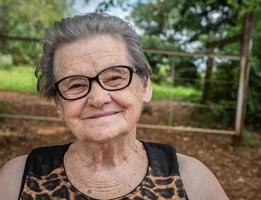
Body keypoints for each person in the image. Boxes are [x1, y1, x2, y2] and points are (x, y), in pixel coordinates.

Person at [0, 13, 229, 200]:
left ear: (146, 86)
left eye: (114, 78)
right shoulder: (16, 180)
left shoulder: (192, 181)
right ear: (59, 104)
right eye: (76, 85)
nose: (98, 98)